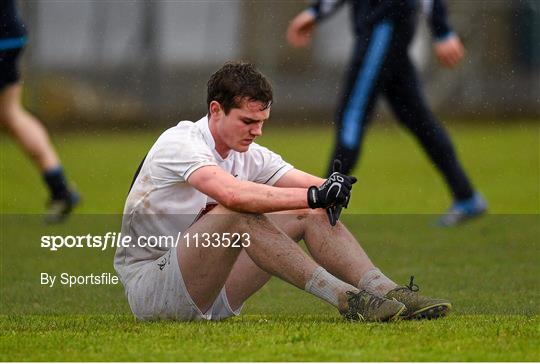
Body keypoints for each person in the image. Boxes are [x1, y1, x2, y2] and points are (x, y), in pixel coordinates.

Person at [114, 61, 451, 322]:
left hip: (214, 290)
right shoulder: (181, 143)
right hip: (152, 291)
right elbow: (231, 195)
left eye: (262, 122)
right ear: (216, 110)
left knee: (311, 211)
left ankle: (388, 292)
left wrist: (331, 188)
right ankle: (349, 300)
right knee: (237, 212)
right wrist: (313, 194)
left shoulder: (246, 151)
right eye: (248, 121)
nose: (257, 132)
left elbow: (308, 188)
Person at [286, 0, 487, 226]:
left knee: (353, 114)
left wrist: (441, 29)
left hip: (385, 20)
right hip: (383, 21)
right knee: (416, 117)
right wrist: (317, 11)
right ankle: (466, 195)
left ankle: (324, 203)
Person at [0, 0, 79, 222]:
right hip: (9, 33)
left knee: (10, 113)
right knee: (10, 113)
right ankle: (60, 189)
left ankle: (60, 189)